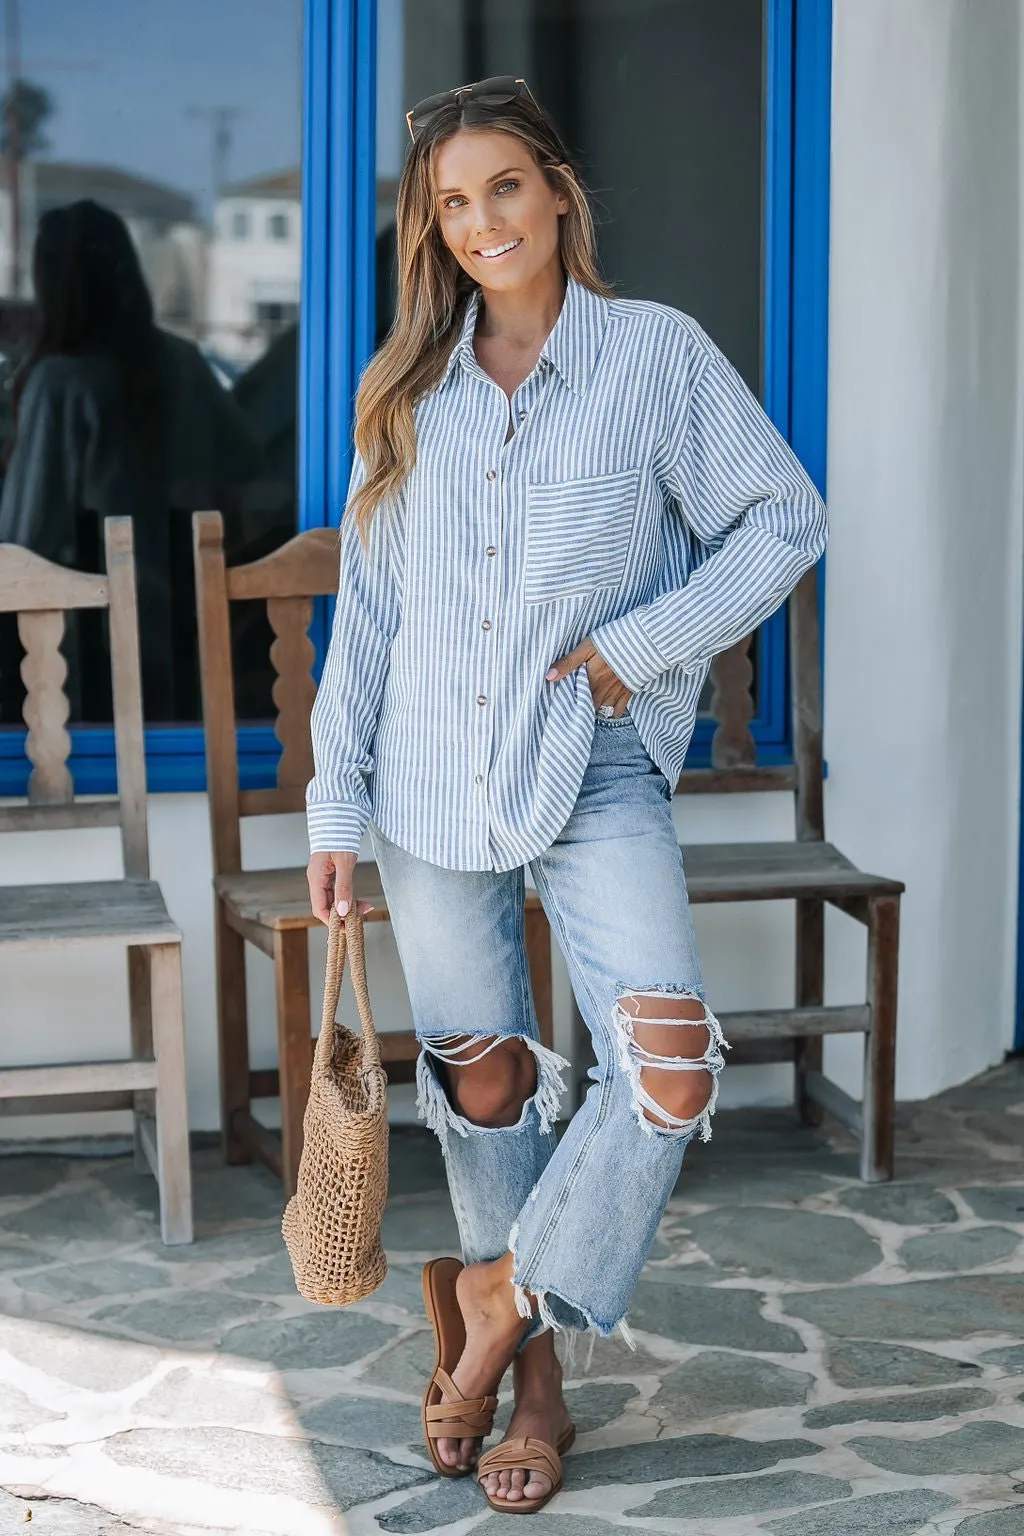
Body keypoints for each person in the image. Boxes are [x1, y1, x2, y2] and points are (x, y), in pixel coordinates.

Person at [306, 76, 827, 1516]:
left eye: (505, 189)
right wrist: (332, 809)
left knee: (667, 1067)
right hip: (420, 776)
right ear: (434, 227)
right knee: (486, 1081)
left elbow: (786, 517)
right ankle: (530, 1383)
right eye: (452, 203)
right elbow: (372, 620)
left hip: (590, 758)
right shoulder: (406, 392)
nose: (482, 222)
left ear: (558, 192)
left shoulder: (655, 357)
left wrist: (631, 653)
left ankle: (487, 1297)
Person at [0, 199, 262, 720]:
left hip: (83, 645)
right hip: (184, 625)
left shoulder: (61, 384)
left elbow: (21, 545)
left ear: (54, 284)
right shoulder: (182, 362)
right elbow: (249, 468)